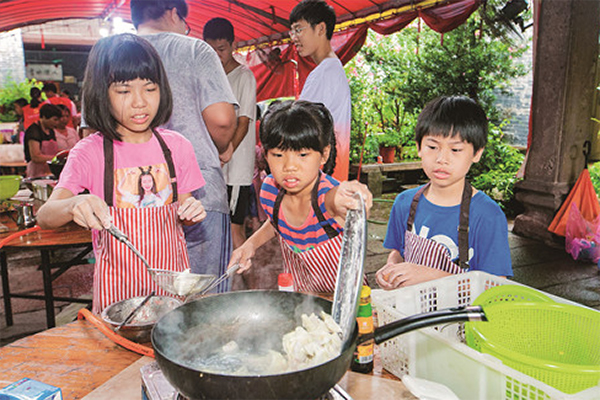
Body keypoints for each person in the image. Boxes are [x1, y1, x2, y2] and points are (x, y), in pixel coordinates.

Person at [36, 34, 207, 313]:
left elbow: (184, 214)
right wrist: (74, 203)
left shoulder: (177, 147)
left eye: (150, 88)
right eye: (124, 91)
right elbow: (45, 216)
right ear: (102, 93)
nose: (140, 102)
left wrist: (191, 211)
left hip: (172, 291)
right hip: (119, 296)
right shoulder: (89, 152)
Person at [131, 0, 238, 291]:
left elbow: (92, 131)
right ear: (173, 12)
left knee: (147, 295)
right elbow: (223, 120)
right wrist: (222, 145)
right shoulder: (194, 49)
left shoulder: (113, 55)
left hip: (130, 197)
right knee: (205, 298)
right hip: (201, 190)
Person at [228, 100, 373, 293]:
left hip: (345, 299)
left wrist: (351, 197)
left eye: (302, 155)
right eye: (278, 155)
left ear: (324, 154)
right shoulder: (270, 190)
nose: (289, 166)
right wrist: (250, 245)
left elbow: (335, 201)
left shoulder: (327, 196)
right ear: (265, 154)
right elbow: (276, 222)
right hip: (302, 296)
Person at [376, 96, 513, 290]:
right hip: (411, 314)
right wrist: (391, 269)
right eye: (432, 147)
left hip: (460, 318)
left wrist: (431, 276)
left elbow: (495, 287)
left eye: (455, 149)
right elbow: (398, 254)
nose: (442, 159)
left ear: (477, 153)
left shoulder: (488, 215)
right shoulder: (404, 203)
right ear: (418, 147)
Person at [203, 17, 257, 249]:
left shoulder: (244, 77)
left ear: (233, 46)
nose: (216, 55)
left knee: (234, 229)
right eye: (211, 49)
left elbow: (244, 121)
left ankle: (242, 280)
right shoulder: (207, 76)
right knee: (214, 227)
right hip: (213, 165)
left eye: (221, 49)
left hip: (234, 168)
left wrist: (227, 151)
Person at [290, 0, 351, 182]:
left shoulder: (324, 72)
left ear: (321, 29)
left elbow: (296, 125)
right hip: (332, 174)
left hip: (321, 176)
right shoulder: (333, 68)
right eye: (292, 31)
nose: (294, 37)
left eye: (299, 29)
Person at [23, 103, 61, 178]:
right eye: (55, 119)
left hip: (49, 171)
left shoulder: (51, 130)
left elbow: (53, 150)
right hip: (36, 173)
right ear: (44, 117)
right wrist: (55, 158)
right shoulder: (34, 131)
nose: (57, 123)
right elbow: (35, 157)